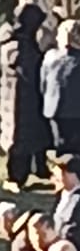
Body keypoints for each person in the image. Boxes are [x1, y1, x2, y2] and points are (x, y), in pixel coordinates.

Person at [2, 0, 53, 191]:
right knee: (21, 139)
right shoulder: (20, 48)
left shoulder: (17, 43)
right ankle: (16, 177)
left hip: (23, 98)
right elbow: (28, 72)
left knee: (33, 136)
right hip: (21, 100)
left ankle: (38, 167)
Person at [43, 20, 80, 155]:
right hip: (76, 111)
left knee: (61, 148)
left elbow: (43, 84)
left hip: (54, 108)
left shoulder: (50, 57)